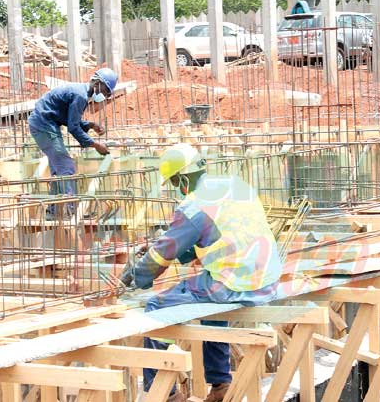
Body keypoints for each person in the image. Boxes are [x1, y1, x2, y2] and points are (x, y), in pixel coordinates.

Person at [121, 143, 282, 402]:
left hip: (235, 282)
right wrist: (182, 247)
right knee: (211, 309)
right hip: (267, 277)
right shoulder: (234, 185)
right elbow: (219, 234)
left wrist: (136, 275)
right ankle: (221, 386)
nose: (176, 188)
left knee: (155, 307)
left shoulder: (194, 206)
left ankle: (163, 394)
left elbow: (161, 257)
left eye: (175, 182)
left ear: (183, 177)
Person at [28, 68, 117, 218]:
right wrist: (95, 145)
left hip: (45, 123)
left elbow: (70, 120)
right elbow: (73, 128)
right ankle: (70, 210)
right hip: (43, 125)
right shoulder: (80, 96)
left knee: (58, 169)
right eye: (106, 91)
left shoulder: (81, 93)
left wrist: (90, 125)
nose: (105, 96)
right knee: (66, 166)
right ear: (97, 83)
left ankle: (53, 212)